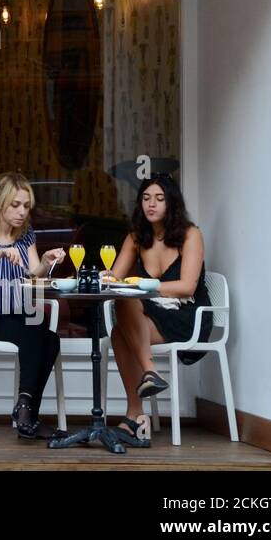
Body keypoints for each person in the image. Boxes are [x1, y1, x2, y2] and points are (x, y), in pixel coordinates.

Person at [0, 171, 66, 440]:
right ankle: (27, 416)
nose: (21, 212)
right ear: (1, 202)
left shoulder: (25, 234)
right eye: (15, 205)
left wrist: (45, 261)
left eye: (26, 206)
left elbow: (32, 276)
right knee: (35, 330)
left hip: (14, 312)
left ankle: (26, 411)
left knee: (51, 339)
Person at [106, 174, 211, 443]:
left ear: (171, 203)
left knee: (122, 327)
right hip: (153, 314)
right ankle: (141, 400)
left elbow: (187, 286)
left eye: (159, 199)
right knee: (120, 322)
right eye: (146, 198)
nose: (151, 204)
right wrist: (105, 278)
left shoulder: (190, 234)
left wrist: (145, 285)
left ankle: (135, 412)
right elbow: (115, 278)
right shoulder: (136, 237)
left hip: (187, 316)